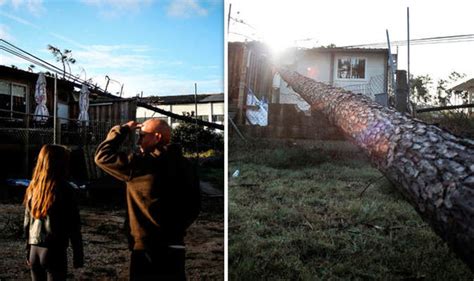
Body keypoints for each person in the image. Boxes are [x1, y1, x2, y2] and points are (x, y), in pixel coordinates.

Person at [94, 119, 200, 281]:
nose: (138, 141)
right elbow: (195, 206)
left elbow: (102, 156)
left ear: (156, 137)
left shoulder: (141, 164)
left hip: (147, 250)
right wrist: (176, 229)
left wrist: (122, 130)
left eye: (142, 135)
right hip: (176, 246)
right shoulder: (186, 165)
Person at [23, 144, 84, 281]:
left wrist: (28, 250)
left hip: (34, 249)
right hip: (54, 250)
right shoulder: (65, 189)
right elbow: (74, 224)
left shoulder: (33, 187)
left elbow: (27, 223)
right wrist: (78, 254)